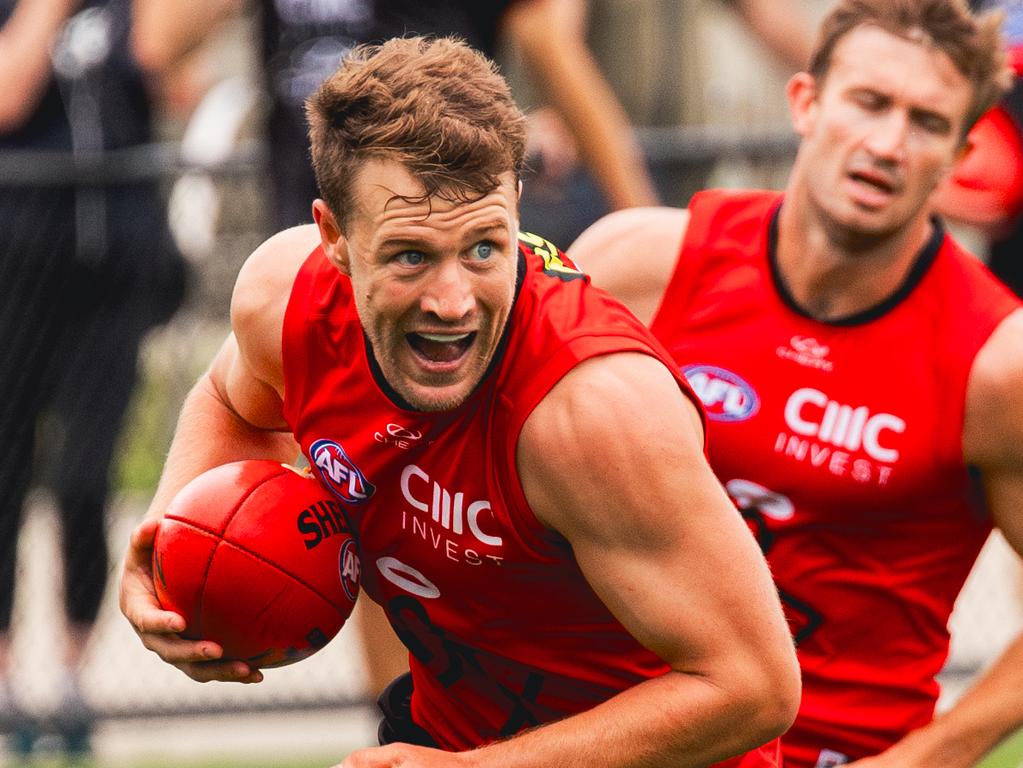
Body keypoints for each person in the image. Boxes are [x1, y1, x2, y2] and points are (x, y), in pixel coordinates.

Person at [118, 35, 799, 767]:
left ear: (515, 206)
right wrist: (172, 543)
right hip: (449, 730)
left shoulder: (591, 414)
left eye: (483, 247)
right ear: (334, 238)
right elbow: (231, 400)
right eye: (411, 255)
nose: (452, 302)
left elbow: (754, 687)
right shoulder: (285, 299)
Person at [130, 0, 661, 696]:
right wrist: (167, 543)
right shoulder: (285, 289)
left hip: (467, 295)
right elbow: (157, 41)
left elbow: (546, 35)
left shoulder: (588, 398)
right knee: (392, 556)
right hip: (351, 274)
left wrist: (637, 216)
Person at [570, 1, 1023, 766]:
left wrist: (933, 754)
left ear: (957, 154)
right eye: (869, 102)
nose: (886, 144)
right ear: (806, 102)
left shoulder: (998, 361)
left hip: (832, 751)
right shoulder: (636, 269)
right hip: (614, 736)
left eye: (926, 123)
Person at [0, 0, 186, 757]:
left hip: (112, 287)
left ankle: (74, 681)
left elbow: (174, 80)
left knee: (85, 482)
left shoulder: (126, 14)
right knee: (5, 484)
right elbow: (8, 98)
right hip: (13, 283)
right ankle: (8, 685)